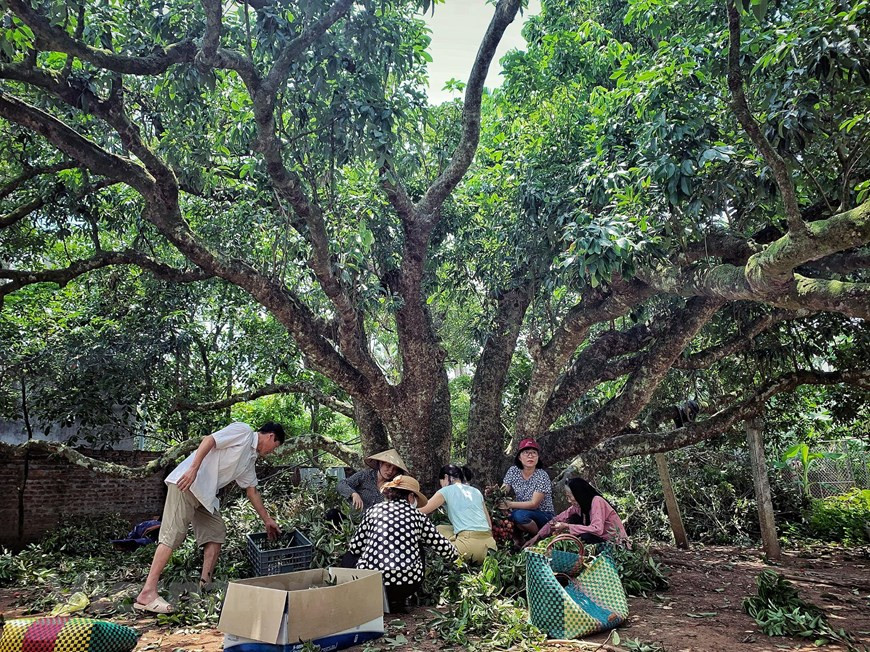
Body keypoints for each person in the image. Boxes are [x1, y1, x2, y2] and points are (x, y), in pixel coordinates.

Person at [134, 421, 285, 614]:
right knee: (173, 535)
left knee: (216, 531)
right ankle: (147, 593)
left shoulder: (249, 459)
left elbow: (252, 491)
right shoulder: (244, 432)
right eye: (276, 446)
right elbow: (210, 440)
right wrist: (193, 469)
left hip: (205, 496)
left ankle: (205, 586)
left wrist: (267, 520)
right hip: (187, 484)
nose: (273, 451)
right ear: (271, 436)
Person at [347, 474, 458, 613]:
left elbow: (355, 547)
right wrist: (459, 560)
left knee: (352, 555)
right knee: (418, 544)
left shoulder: (373, 511)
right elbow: (444, 548)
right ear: (411, 496)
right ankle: (403, 599)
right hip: (407, 584)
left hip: (373, 584)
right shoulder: (418, 516)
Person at [419, 464, 496, 562]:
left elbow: (420, 511)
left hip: (467, 549)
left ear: (446, 477)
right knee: (441, 528)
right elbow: (489, 525)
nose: (441, 485)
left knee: (434, 531)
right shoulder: (476, 491)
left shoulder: (445, 491)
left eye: (441, 482)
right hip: (490, 548)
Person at [525, 477, 628, 547]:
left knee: (585, 536)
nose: (569, 500)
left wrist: (567, 526)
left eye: (570, 497)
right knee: (573, 518)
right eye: (567, 497)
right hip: (599, 540)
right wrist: (537, 537)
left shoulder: (597, 501)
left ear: (579, 494)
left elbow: (597, 529)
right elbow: (557, 519)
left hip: (613, 544)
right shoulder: (578, 507)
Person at [501, 438, 555, 546]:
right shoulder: (513, 471)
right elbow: (503, 490)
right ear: (519, 457)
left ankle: (539, 538)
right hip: (522, 511)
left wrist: (509, 504)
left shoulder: (542, 475)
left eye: (534, 453)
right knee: (508, 515)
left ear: (538, 457)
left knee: (519, 515)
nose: (530, 456)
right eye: (526, 452)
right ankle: (518, 542)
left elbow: (534, 504)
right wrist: (496, 497)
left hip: (543, 515)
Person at [335, 448, 409, 512]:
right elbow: (342, 484)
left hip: (376, 521)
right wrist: (353, 494)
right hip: (351, 518)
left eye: (394, 469)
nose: (390, 471)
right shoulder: (365, 475)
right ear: (380, 464)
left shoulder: (394, 487)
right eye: (388, 466)